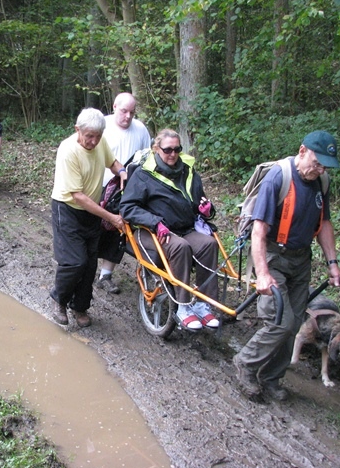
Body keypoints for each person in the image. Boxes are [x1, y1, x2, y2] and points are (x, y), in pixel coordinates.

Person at [232, 130, 340, 401]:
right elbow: (259, 231)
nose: (320, 170)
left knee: (293, 326)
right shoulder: (278, 178)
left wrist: (333, 263)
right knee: (281, 321)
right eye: (316, 163)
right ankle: (245, 363)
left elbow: (324, 224)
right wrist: (263, 275)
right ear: (302, 151)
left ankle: (271, 378)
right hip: (273, 255)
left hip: (301, 259)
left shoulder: (321, 182)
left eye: (325, 166)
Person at [120, 129, 221, 331]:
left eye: (177, 149)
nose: (173, 154)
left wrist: (206, 210)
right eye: (167, 150)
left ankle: (203, 303)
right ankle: (183, 307)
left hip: (185, 227)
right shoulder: (143, 175)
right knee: (180, 247)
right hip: (151, 231)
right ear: (157, 149)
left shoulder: (188, 172)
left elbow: (198, 202)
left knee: (209, 244)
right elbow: (127, 208)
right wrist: (155, 222)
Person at [50, 108, 127, 328]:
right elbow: (78, 196)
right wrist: (111, 217)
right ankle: (59, 299)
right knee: (74, 262)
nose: (93, 141)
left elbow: (112, 163)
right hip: (68, 209)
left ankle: (80, 306)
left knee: (90, 264)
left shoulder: (100, 142)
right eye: (89, 136)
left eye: (97, 136)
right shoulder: (68, 151)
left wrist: (121, 171)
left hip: (92, 211)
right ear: (77, 130)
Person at [96, 92, 151, 294]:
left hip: (126, 191)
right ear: (114, 107)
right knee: (93, 229)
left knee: (118, 230)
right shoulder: (101, 125)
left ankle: (105, 275)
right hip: (98, 186)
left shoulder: (141, 129)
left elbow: (147, 156)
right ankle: (84, 269)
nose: (128, 116)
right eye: (124, 111)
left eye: (132, 112)